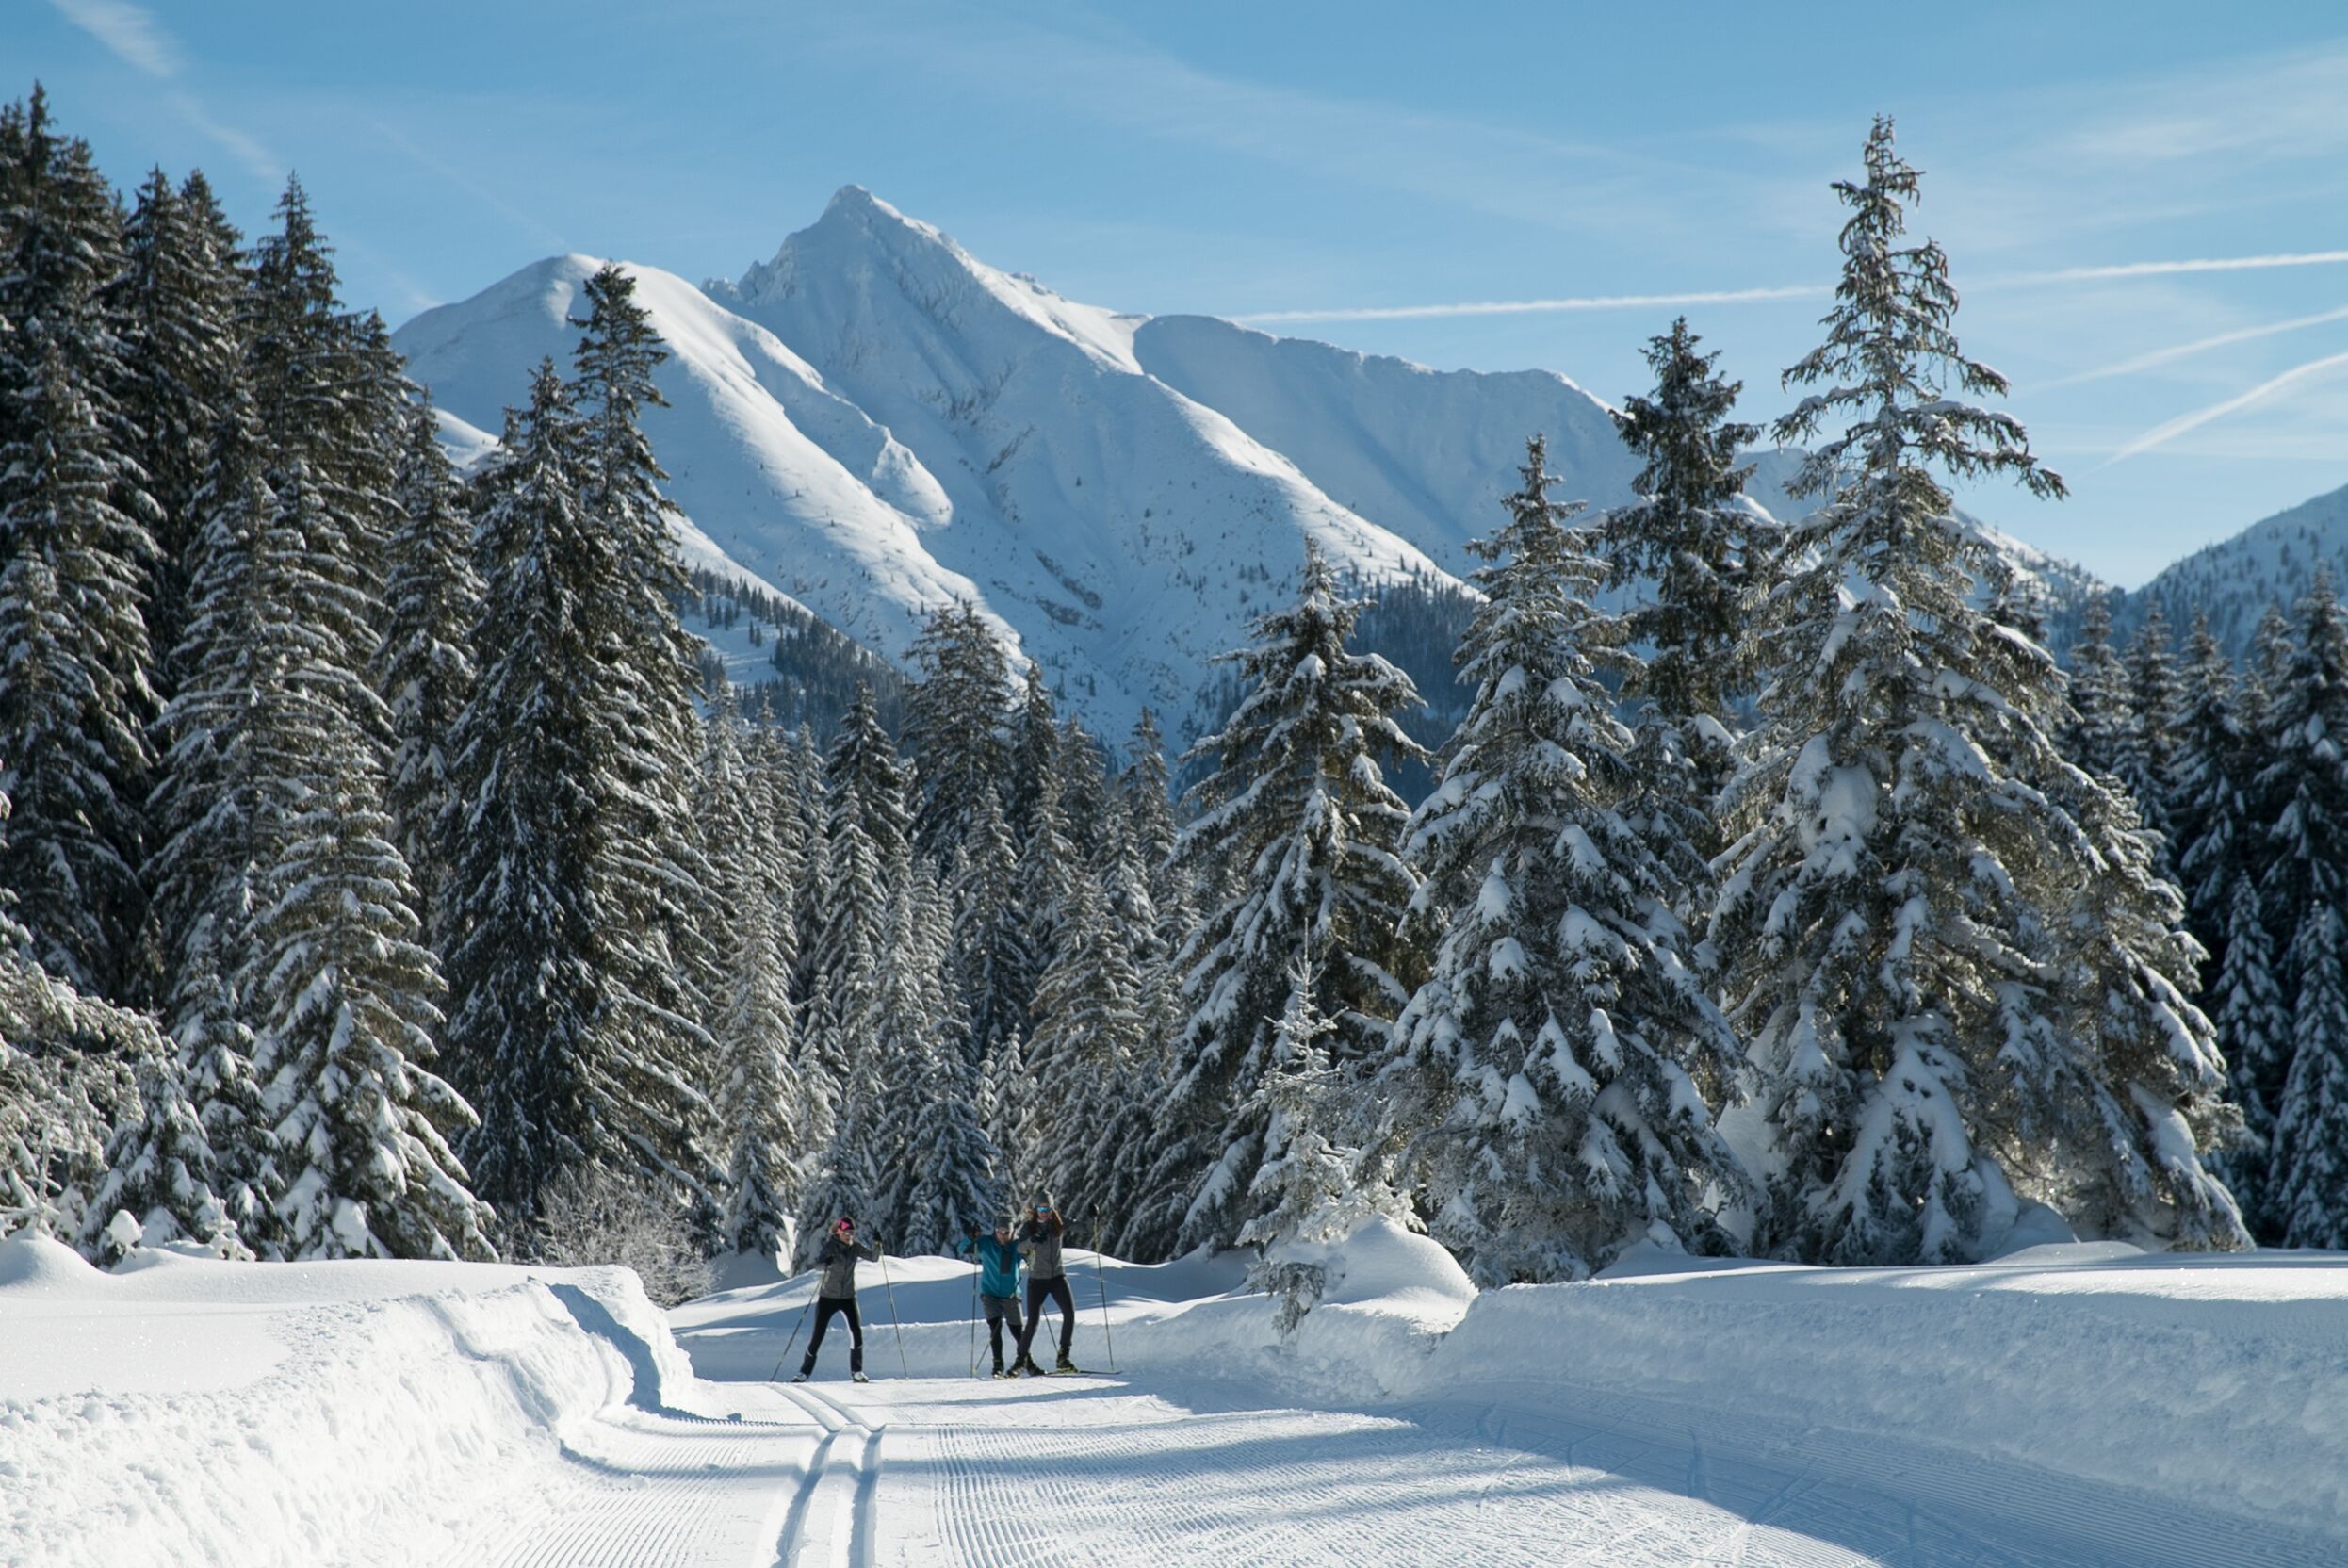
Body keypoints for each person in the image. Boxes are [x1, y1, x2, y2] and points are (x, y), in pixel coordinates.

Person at [794, 1217, 881, 1382]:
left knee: (856, 1333)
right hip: (828, 1297)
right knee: (817, 1336)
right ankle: (804, 1372)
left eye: (852, 1232)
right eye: (847, 1232)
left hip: (848, 1297)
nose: (850, 1235)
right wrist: (826, 1263)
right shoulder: (831, 1247)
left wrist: (877, 1243)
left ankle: (857, 1372)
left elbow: (874, 1258)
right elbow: (818, 1266)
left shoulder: (855, 1248)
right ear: (838, 1232)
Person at [1012, 1197, 1078, 1374]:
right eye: (1041, 1210)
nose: (1045, 1214)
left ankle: (1063, 1357)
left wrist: (1093, 1218)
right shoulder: (1029, 1227)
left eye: (1048, 1210)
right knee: (1033, 1322)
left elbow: (1082, 1227)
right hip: (1037, 1281)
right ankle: (1020, 1360)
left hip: (1057, 1277)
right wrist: (1033, 1240)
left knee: (1070, 1314)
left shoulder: (1058, 1222)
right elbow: (1019, 1248)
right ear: (1035, 1211)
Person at [957, 1217, 1029, 1378]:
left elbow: (1032, 1256)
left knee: (1017, 1331)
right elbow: (962, 1248)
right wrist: (971, 1237)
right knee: (995, 1328)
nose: (1003, 1235)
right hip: (990, 1294)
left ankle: (1027, 1362)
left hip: (1011, 1294)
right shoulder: (985, 1243)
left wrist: (1031, 1251)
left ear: (1012, 1233)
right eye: (999, 1232)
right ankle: (998, 1365)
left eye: (1006, 1232)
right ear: (995, 1231)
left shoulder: (1017, 1245)